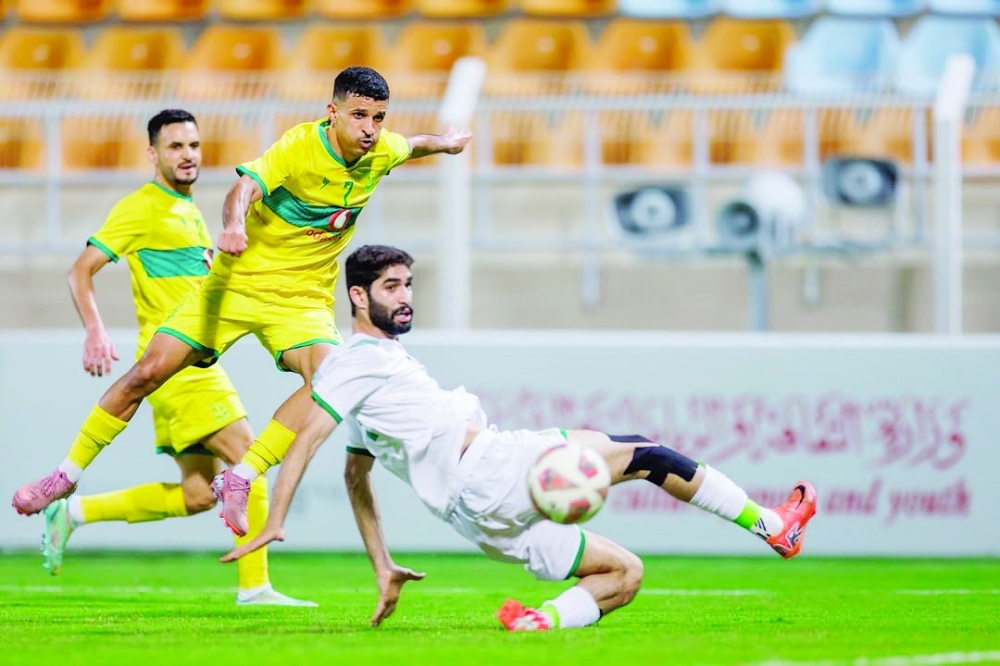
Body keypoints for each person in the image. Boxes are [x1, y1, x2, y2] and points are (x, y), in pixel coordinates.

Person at [219, 244, 819, 631]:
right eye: (391, 287)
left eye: (408, 284)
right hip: (492, 469)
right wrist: (276, 515)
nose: (405, 298)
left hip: (478, 518)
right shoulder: (354, 366)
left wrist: (383, 565)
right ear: (358, 296)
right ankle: (773, 526)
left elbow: (357, 477)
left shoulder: (365, 379)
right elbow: (306, 435)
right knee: (647, 454)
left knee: (624, 576)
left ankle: (539, 623)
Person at [11, 66, 472, 537]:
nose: (370, 129)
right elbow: (244, 188)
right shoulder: (300, 146)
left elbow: (414, 144)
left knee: (329, 380)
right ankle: (64, 477)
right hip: (236, 285)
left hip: (301, 298)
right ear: (332, 113)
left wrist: (447, 141)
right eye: (359, 116)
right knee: (147, 373)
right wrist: (233, 225)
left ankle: (243, 474)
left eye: (378, 118)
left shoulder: (383, 149)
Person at [37, 110, 312, 606]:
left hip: (190, 365)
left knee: (199, 495)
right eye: (175, 147)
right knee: (250, 460)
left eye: (193, 146)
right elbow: (81, 270)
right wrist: (95, 331)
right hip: (175, 369)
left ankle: (74, 512)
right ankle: (255, 588)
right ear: (153, 154)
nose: (187, 156)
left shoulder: (188, 210)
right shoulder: (142, 207)